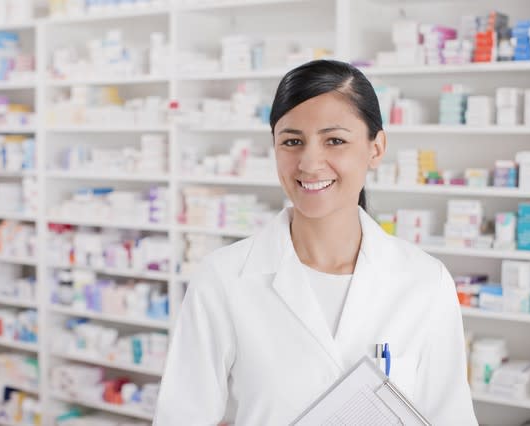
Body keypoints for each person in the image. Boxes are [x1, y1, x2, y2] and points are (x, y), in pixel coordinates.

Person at [154, 59, 477, 425]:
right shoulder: (223, 278)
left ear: (376, 147)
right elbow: (181, 417)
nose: (309, 163)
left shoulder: (425, 281)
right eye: (292, 141)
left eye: (335, 140)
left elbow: (451, 418)